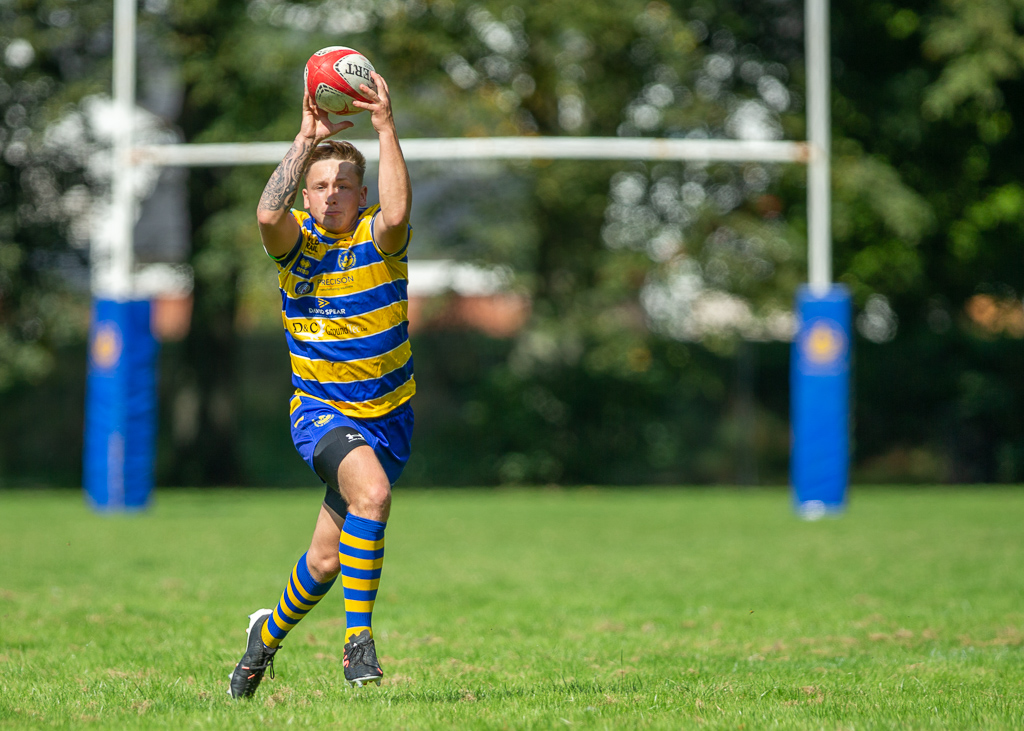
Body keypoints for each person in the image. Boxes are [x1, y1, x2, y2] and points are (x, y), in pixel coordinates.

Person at [228, 70, 414, 698]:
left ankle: (263, 639)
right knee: (374, 496)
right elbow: (264, 211)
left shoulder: (380, 240)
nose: (331, 194)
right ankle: (357, 645)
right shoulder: (294, 248)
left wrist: (385, 128)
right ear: (307, 195)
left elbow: (399, 211)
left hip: (389, 417)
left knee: (328, 560)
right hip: (323, 414)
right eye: (320, 186)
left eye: (343, 185)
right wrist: (307, 137)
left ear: (361, 195)